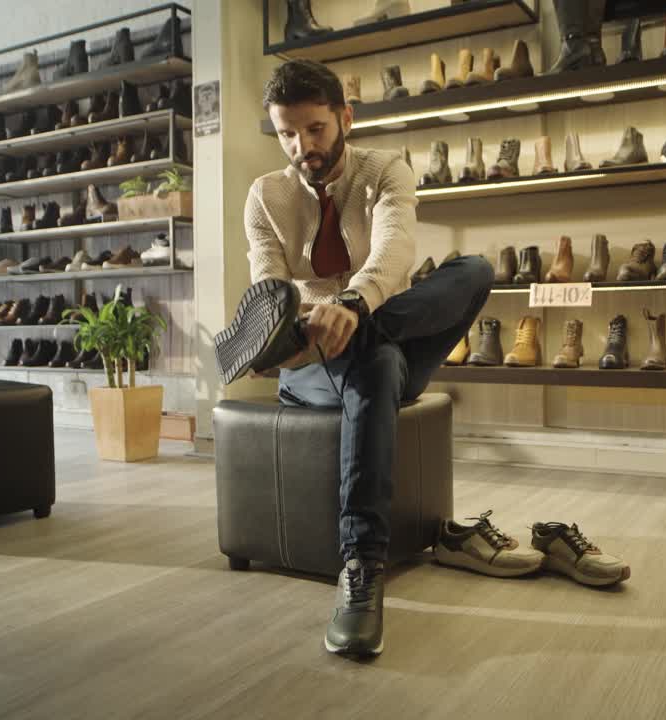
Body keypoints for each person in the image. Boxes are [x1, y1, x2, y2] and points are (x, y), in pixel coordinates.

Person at [213, 59, 493, 657]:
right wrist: (291, 336)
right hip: (314, 363)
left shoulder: (385, 170)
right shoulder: (265, 196)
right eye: (287, 133)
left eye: (314, 129)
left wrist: (352, 307)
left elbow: (396, 249)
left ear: (345, 117)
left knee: (473, 270)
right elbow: (271, 289)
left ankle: (362, 333)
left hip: (372, 317)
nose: (301, 146)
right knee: (378, 366)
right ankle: (362, 568)